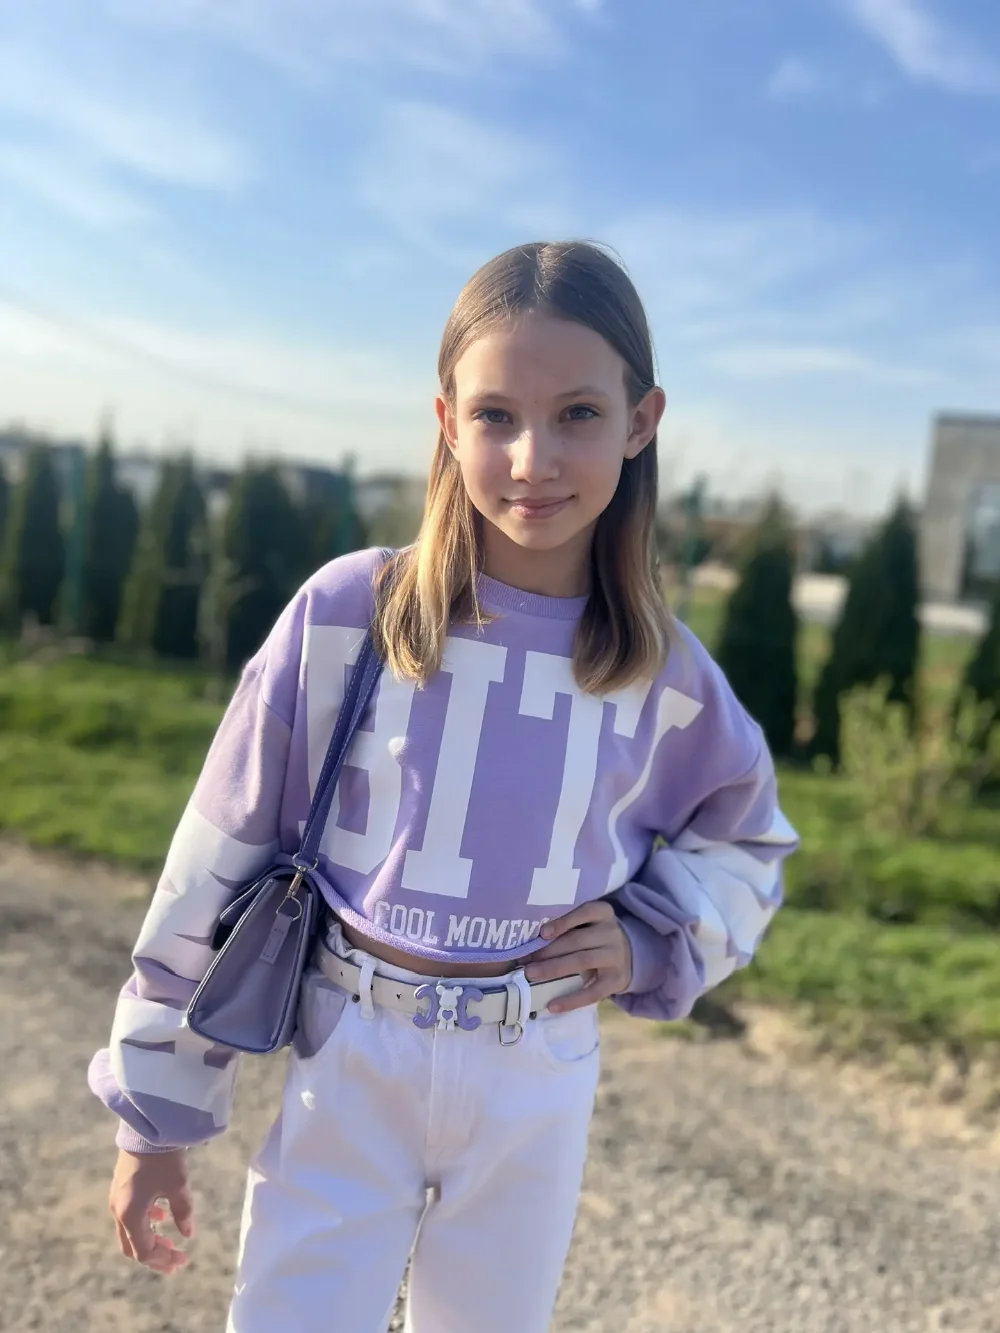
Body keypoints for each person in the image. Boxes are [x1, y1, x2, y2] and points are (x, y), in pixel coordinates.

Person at [89, 240, 798, 1333]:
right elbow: (215, 857)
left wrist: (652, 939)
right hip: (349, 1052)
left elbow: (747, 839)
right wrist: (156, 1113)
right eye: (494, 415)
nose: (531, 458)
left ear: (641, 421)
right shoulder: (350, 613)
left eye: (577, 414)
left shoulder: (663, 673)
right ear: (446, 422)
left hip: (536, 1068)